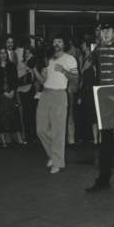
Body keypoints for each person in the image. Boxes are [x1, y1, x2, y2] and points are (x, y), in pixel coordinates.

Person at [86, 21, 114, 192]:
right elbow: (89, 69)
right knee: (106, 140)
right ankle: (103, 179)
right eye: (103, 31)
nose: (105, 33)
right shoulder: (98, 50)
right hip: (104, 99)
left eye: (108, 30)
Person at [36, 35, 78, 173]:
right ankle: (53, 156)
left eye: (59, 41)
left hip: (60, 95)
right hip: (45, 94)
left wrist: (64, 71)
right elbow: (43, 80)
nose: (56, 44)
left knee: (58, 131)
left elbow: (76, 79)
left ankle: (58, 163)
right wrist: (38, 72)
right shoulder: (48, 59)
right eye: (54, 41)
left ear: (64, 44)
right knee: (40, 129)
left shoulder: (69, 59)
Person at [0, 45, 21, 146]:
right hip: (1, 94)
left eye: (4, 53)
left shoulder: (11, 65)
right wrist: (4, 93)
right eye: (1, 53)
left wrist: (12, 91)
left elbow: (15, 80)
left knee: (14, 115)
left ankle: (18, 138)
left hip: (11, 92)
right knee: (1, 115)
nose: (3, 55)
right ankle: (3, 139)